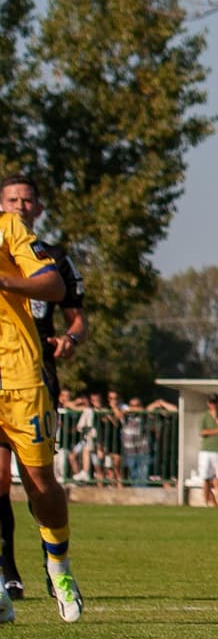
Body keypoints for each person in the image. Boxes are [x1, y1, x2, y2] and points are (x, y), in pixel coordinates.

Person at [0, 175, 85, 599]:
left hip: (27, 373)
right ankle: (6, 575)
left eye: (26, 199)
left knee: (37, 481)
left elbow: (63, 299)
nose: (20, 206)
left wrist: (71, 339)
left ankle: (57, 562)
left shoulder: (20, 237)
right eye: (12, 199)